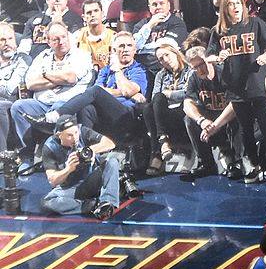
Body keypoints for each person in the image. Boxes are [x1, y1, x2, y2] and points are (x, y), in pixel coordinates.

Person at [207, 0, 266, 184]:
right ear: (224, 9)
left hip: (257, 83)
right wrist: (218, 57)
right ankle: (255, 166)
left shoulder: (255, 23)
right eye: (230, 4)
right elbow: (208, 55)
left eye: (237, 3)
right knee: (245, 130)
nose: (235, 7)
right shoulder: (218, 31)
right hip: (235, 86)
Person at [11, 22, 93, 172]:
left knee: (58, 108)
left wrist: (45, 75)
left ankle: (53, 156)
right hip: (42, 104)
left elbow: (70, 78)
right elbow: (30, 83)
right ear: (48, 42)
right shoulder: (42, 57)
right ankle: (27, 156)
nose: (61, 41)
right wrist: (55, 81)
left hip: (67, 105)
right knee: (18, 107)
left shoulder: (81, 55)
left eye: (63, 37)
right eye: (55, 39)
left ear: (69, 36)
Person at [41, 32, 149, 137]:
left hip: (126, 115)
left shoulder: (138, 69)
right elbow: (98, 94)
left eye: (129, 46)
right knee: (86, 108)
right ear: (115, 50)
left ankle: (57, 115)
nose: (125, 49)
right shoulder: (106, 70)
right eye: (121, 46)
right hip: (105, 114)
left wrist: (117, 70)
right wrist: (122, 93)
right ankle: (85, 148)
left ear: (134, 50)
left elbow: (127, 91)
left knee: (96, 91)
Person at [41, 115, 119, 220]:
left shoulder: (83, 131)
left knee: (112, 160)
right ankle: (92, 205)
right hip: (71, 187)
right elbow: (53, 181)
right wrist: (68, 169)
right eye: (69, 135)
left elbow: (110, 143)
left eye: (76, 133)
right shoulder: (50, 147)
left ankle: (107, 201)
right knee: (47, 202)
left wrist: (89, 150)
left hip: (91, 178)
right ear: (59, 135)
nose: (75, 138)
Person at [183, 46, 241, 179]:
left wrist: (215, 125)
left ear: (209, 60)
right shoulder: (194, 78)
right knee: (188, 119)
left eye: (202, 64)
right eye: (195, 67)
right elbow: (187, 104)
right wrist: (201, 121)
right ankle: (206, 164)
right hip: (209, 124)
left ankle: (236, 163)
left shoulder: (224, 73)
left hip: (227, 119)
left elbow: (234, 105)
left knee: (238, 115)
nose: (199, 69)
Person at [143, 44, 192, 176]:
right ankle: (162, 143)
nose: (165, 60)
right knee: (148, 108)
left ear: (175, 53)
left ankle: (159, 150)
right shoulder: (160, 75)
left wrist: (170, 95)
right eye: (161, 59)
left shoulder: (190, 70)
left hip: (184, 110)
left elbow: (190, 93)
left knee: (159, 99)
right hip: (165, 113)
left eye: (167, 55)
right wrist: (165, 96)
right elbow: (155, 97)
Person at [17, 0, 83, 60]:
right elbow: (24, 46)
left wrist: (58, 24)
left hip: (63, 61)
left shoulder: (76, 20)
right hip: (35, 62)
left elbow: (74, 45)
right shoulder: (34, 20)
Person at [133, 0, 189, 74]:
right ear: (149, 8)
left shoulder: (177, 23)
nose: (158, 7)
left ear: (169, 5)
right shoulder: (141, 25)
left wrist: (143, 49)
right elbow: (134, 46)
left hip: (165, 67)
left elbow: (166, 47)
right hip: (141, 69)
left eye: (161, 3)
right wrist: (150, 25)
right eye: (154, 4)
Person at [0, 23, 29, 154]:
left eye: (10, 39)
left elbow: (10, 90)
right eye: (2, 40)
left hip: (12, 103)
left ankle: (3, 155)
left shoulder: (22, 60)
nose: (7, 43)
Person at [73, 0, 116, 70]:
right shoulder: (76, 36)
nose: (92, 15)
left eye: (96, 11)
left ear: (102, 14)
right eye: (89, 13)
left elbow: (116, 65)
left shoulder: (114, 37)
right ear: (83, 17)